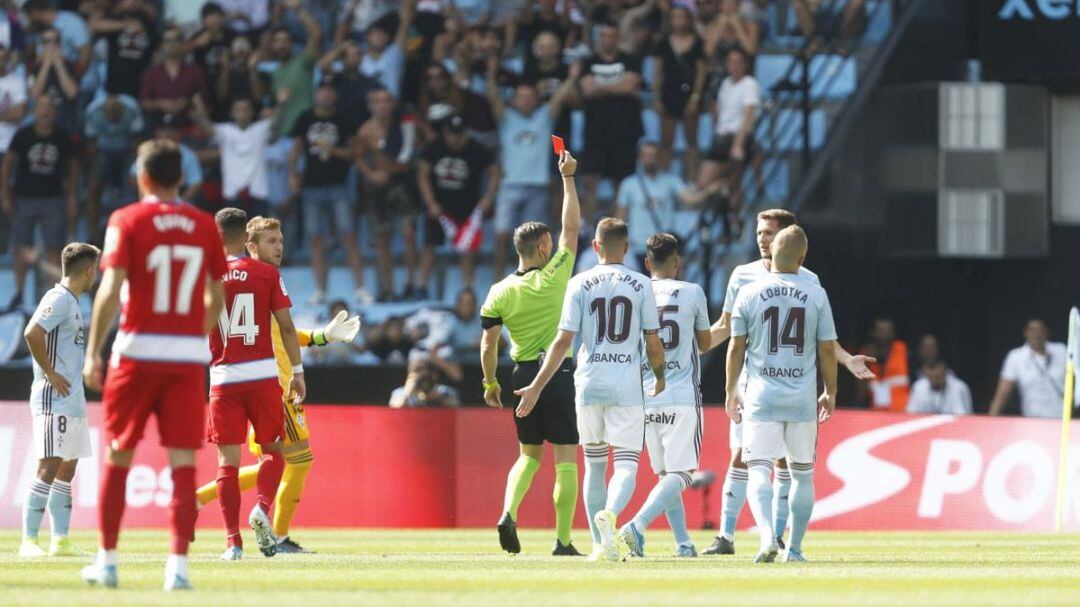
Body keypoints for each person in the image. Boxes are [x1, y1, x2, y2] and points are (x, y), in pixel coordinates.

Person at [80, 139, 228, 591]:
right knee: (183, 462)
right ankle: (178, 569)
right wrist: (192, 336)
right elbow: (215, 296)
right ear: (180, 177)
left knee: (119, 454)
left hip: (137, 351)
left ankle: (107, 562)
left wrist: (93, 352)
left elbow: (109, 290)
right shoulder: (204, 225)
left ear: (141, 177)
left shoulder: (126, 219)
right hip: (185, 358)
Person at [700, 208, 874, 557]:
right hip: (782, 391)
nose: (762, 239)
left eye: (769, 233)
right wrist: (695, 343)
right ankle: (729, 535)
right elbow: (726, 326)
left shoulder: (805, 281)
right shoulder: (745, 276)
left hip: (759, 391)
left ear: (783, 238)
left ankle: (773, 536)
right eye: (759, 232)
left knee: (769, 464)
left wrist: (845, 358)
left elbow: (740, 342)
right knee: (756, 461)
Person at [194, 216, 362, 555]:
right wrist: (309, 355)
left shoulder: (219, 279)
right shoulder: (263, 278)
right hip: (274, 385)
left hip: (231, 382)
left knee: (261, 462)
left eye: (281, 240)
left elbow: (282, 331)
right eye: (271, 241)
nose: (279, 247)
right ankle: (278, 534)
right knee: (294, 460)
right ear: (249, 244)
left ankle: (204, 506)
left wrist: (320, 336)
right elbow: (284, 331)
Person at [514, 217, 667, 562]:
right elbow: (653, 343)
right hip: (626, 385)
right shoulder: (642, 284)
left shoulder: (578, 283)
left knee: (594, 467)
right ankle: (611, 515)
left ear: (595, 246)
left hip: (588, 383)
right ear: (626, 248)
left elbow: (562, 341)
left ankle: (601, 544)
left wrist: (537, 386)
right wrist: (659, 377)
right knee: (626, 464)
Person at [479, 151, 581, 557]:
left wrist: (490, 381)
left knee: (528, 456)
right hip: (556, 374)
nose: (555, 245)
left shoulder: (499, 290)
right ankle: (563, 541)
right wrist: (568, 179)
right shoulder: (555, 276)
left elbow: (488, 343)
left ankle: (508, 511)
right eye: (550, 244)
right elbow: (571, 228)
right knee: (567, 459)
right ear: (542, 247)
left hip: (520, 375)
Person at [725, 225, 837, 563]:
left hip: (761, 397)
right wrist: (829, 392)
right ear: (802, 259)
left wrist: (731, 389)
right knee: (802, 474)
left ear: (771, 253)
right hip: (801, 399)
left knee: (759, 469)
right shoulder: (816, 293)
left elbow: (736, 346)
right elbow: (827, 350)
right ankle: (796, 548)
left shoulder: (749, 292)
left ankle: (765, 539)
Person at [206, 208, 306, 561]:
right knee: (273, 452)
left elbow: (198, 326)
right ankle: (262, 508)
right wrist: (297, 371)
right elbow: (288, 327)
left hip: (223, 379)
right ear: (244, 238)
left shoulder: (208, 277)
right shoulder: (267, 274)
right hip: (262, 377)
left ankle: (233, 543)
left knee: (226, 463)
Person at [616, 233, 711, 559]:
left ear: (646, 263)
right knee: (682, 474)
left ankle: (684, 544)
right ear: (677, 261)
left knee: (665, 475)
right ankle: (636, 525)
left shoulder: (633, 292)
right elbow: (705, 342)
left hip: (644, 395)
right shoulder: (692, 292)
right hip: (681, 394)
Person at [19, 243, 99, 559]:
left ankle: (61, 540)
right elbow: (32, 332)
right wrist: (50, 372)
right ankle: (28, 540)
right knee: (48, 466)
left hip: (72, 398)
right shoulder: (58, 299)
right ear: (89, 270)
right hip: (54, 398)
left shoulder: (74, 301)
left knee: (68, 468)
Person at [486, 55, 577, 277]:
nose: (526, 101)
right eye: (521, 97)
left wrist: (572, 77)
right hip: (509, 186)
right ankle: (498, 280)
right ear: (514, 99)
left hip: (538, 186)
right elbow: (492, 98)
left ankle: (533, 279)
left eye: (530, 97)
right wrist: (490, 73)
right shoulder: (506, 118)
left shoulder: (544, 116)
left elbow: (559, 98)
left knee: (535, 241)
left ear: (537, 99)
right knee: (501, 236)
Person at [289, 84, 369, 305]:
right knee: (315, 239)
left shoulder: (344, 119)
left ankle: (361, 289)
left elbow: (354, 153)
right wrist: (292, 175)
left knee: (349, 236)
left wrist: (331, 149)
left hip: (339, 185)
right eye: (321, 90)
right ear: (315, 94)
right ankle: (320, 291)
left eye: (329, 91)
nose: (325, 95)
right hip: (311, 185)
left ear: (335, 95)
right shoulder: (304, 118)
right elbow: (296, 149)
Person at [1, 96, 77, 310]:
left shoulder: (62, 137)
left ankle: (52, 299)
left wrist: (71, 196)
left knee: (54, 249)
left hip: (53, 198)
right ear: (35, 112)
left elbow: (73, 168)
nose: (46, 113)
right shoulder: (23, 135)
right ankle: (19, 295)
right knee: (20, 249)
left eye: (49, 109)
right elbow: (7, 165)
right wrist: (5, 194)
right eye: (42, 108)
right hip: (24, 198)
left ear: (54, 112)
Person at [416, 114, 499, 294]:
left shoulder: (477, 149)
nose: (454, 138)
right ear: (445, 133)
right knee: (429, 245)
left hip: (467, 207)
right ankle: (421, 286)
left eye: (458, 134)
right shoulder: (434, 146)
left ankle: (467, 288)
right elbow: (422, 174)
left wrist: (488, 199)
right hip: (439, 205)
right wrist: (430, 202)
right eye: (451, 134)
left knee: (468, 249)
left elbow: (494, 171)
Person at [355, 88, 419, 301]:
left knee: (409, 233)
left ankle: (411, 284)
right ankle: (388, 288)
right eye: (378, 102)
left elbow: (412, 152)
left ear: (392, 105)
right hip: (379, 188)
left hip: (402, 183)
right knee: (382, 239)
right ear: (371, 106)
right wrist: (371, 175)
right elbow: (359, 158)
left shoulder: (403, 127)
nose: (382, 106)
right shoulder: (366, 130)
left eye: (386, 102)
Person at [615, 141, 719, 271]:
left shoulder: (670, 181)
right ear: (640, 158)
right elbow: (620, 217)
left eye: (653, 155)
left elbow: (690, 199)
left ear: (659, 157)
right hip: (638, 248)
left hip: (662, 248)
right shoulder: (629, 184)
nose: (650, 159)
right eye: (646, 155)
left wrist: (709, 191)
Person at [579, 21, 644, 220]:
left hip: (625, 131)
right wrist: (618, 85)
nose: (609, 40)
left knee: (622, 183)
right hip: (595, 131)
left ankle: (618, 229)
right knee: (590, 181)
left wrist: (600, 86)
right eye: (605, 36)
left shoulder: (630, 59)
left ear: (618, 38)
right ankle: (588, 230)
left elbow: (630, 87)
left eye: (612, 35)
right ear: (600, 38)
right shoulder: (588, 61)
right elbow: (587, 90)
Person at [699, 47, 758, 241]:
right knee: (707, 183)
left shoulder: (749, 84)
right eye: (730, 61)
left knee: (732, 183)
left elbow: (748, 116)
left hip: (737, 138)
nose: (733, 65)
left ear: (745, 65)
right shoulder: (725, 84)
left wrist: (738, 144)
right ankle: (728, 219)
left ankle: (732, 221)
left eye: (738, 61)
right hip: (722, 137)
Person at [191, 93, 283, 217]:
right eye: (238, 109)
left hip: (258, 194)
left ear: (251, 112)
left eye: (246, 109)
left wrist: (282, 104)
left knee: (258, 236)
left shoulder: (260, 129)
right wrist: (199, 107)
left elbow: (276, 123)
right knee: (234, 236)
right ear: (232, 113)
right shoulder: (225, 131)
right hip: (232, 195)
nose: (242, 112)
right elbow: (206, 125)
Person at [652, 4, 706, 175]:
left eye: (682, 17)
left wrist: (695, 97)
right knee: (666, 140)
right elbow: (657, 72)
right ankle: (662, 179)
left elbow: (701, 72)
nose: (678, 21)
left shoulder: (697, 42)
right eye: (674, 17)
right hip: (669, 92)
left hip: (690, 93)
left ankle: (692, 178)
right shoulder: (663, 42)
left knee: (691, 140)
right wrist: (657, 98)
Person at [988, 319, 1067, 418]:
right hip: (1032, 421)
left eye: (1040, 329)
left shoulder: (1062, 351)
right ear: (1025, 333)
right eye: (1032, 330)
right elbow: (1003, 393)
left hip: (1062, 421)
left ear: (1047, 332)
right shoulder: (1016, 356)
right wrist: (991, 419)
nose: (1037, 334)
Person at [138, 25, 207, 130]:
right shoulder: (151, 73)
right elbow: (143, 102)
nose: (172, 44)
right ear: (162, 46)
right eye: (168, 41)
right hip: (157, 128)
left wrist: (187, 103)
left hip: (187, 128)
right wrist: (160, 104)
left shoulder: (195, 72)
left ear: (183, 44)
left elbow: (205, 102)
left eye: (176, 40)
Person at [860, 317, 910, 412]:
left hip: (902, 411)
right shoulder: (866, 354)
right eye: (880, 330)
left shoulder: (903, 350)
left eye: (888, 331)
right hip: (875, 412)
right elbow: (860, 393)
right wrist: (867, 363)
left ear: (894, 333)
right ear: (873, 333)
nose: (884, 334)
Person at [908, 360, 973, 415]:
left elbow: (962, 415)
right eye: (934, 376)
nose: (937, 380)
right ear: (928, 375)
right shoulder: (918, 387)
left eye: (939, 376)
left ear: (945, 373)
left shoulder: (959, 387)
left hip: (952, 426)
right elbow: (911, 413)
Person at [389, 358, 462, 407]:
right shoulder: (399, 393)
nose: (425, 381)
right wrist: (407, 394)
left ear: (435, 376)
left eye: (428, 376)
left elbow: (456, 413)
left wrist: (438, 399)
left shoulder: (447, 392)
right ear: (410, 376)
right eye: (420, 377)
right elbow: (393, 413)